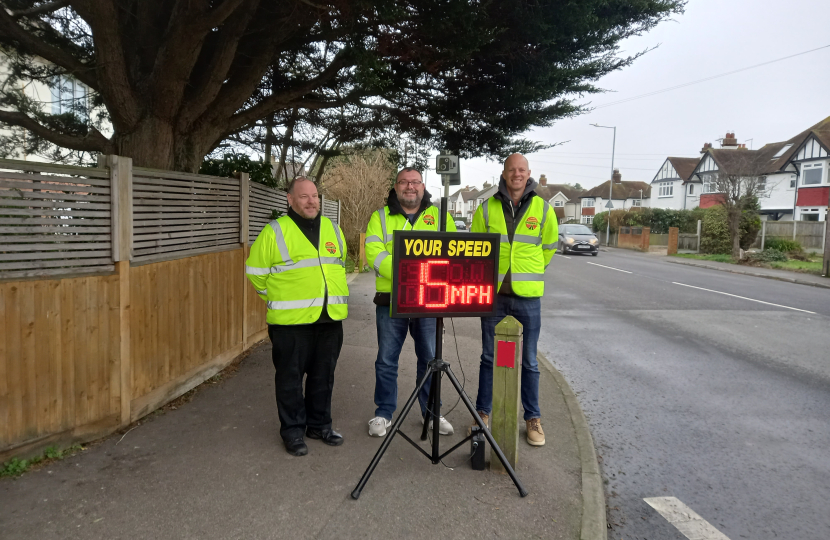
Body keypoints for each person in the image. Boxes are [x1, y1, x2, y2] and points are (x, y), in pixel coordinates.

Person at [245, 177, 349, 456]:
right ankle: (292, 431)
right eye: (304, 197)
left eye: (315, 196)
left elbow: (338, 265)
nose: (311, 201)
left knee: (323, 377)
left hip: (330, 319)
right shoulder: (274, 231)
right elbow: (256, 274)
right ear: (289, 199)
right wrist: (278, 300)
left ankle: (319, 425)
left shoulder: (333, 229)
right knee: (290, 380)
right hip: (291, 325)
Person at [470, 154, 557, 446]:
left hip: (528, 299)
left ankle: (532, 419)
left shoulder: (544, 210)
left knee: (529, 361)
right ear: (505, 174)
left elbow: (548, 248)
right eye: (512, 170)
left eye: (521, 170)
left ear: (528, 173)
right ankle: (483, 413)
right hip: (493, 297)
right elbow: (475, 246)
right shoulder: (486, 208)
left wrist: (528, 273)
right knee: (489, 358)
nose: (517, 174)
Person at [364, 168, 457, 437]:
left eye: (415, 182)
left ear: (422, 186)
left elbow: (453, 250)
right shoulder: (379, 217)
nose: (410, 187)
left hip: (430, 301)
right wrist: (412, 274)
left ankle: (432, 414)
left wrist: (421, 277)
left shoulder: (440, 217)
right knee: (386, 359)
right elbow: (374, 255)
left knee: (430, 359)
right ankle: (383, 413)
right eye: (404, 182)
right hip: (391, 300)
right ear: (395, 187)